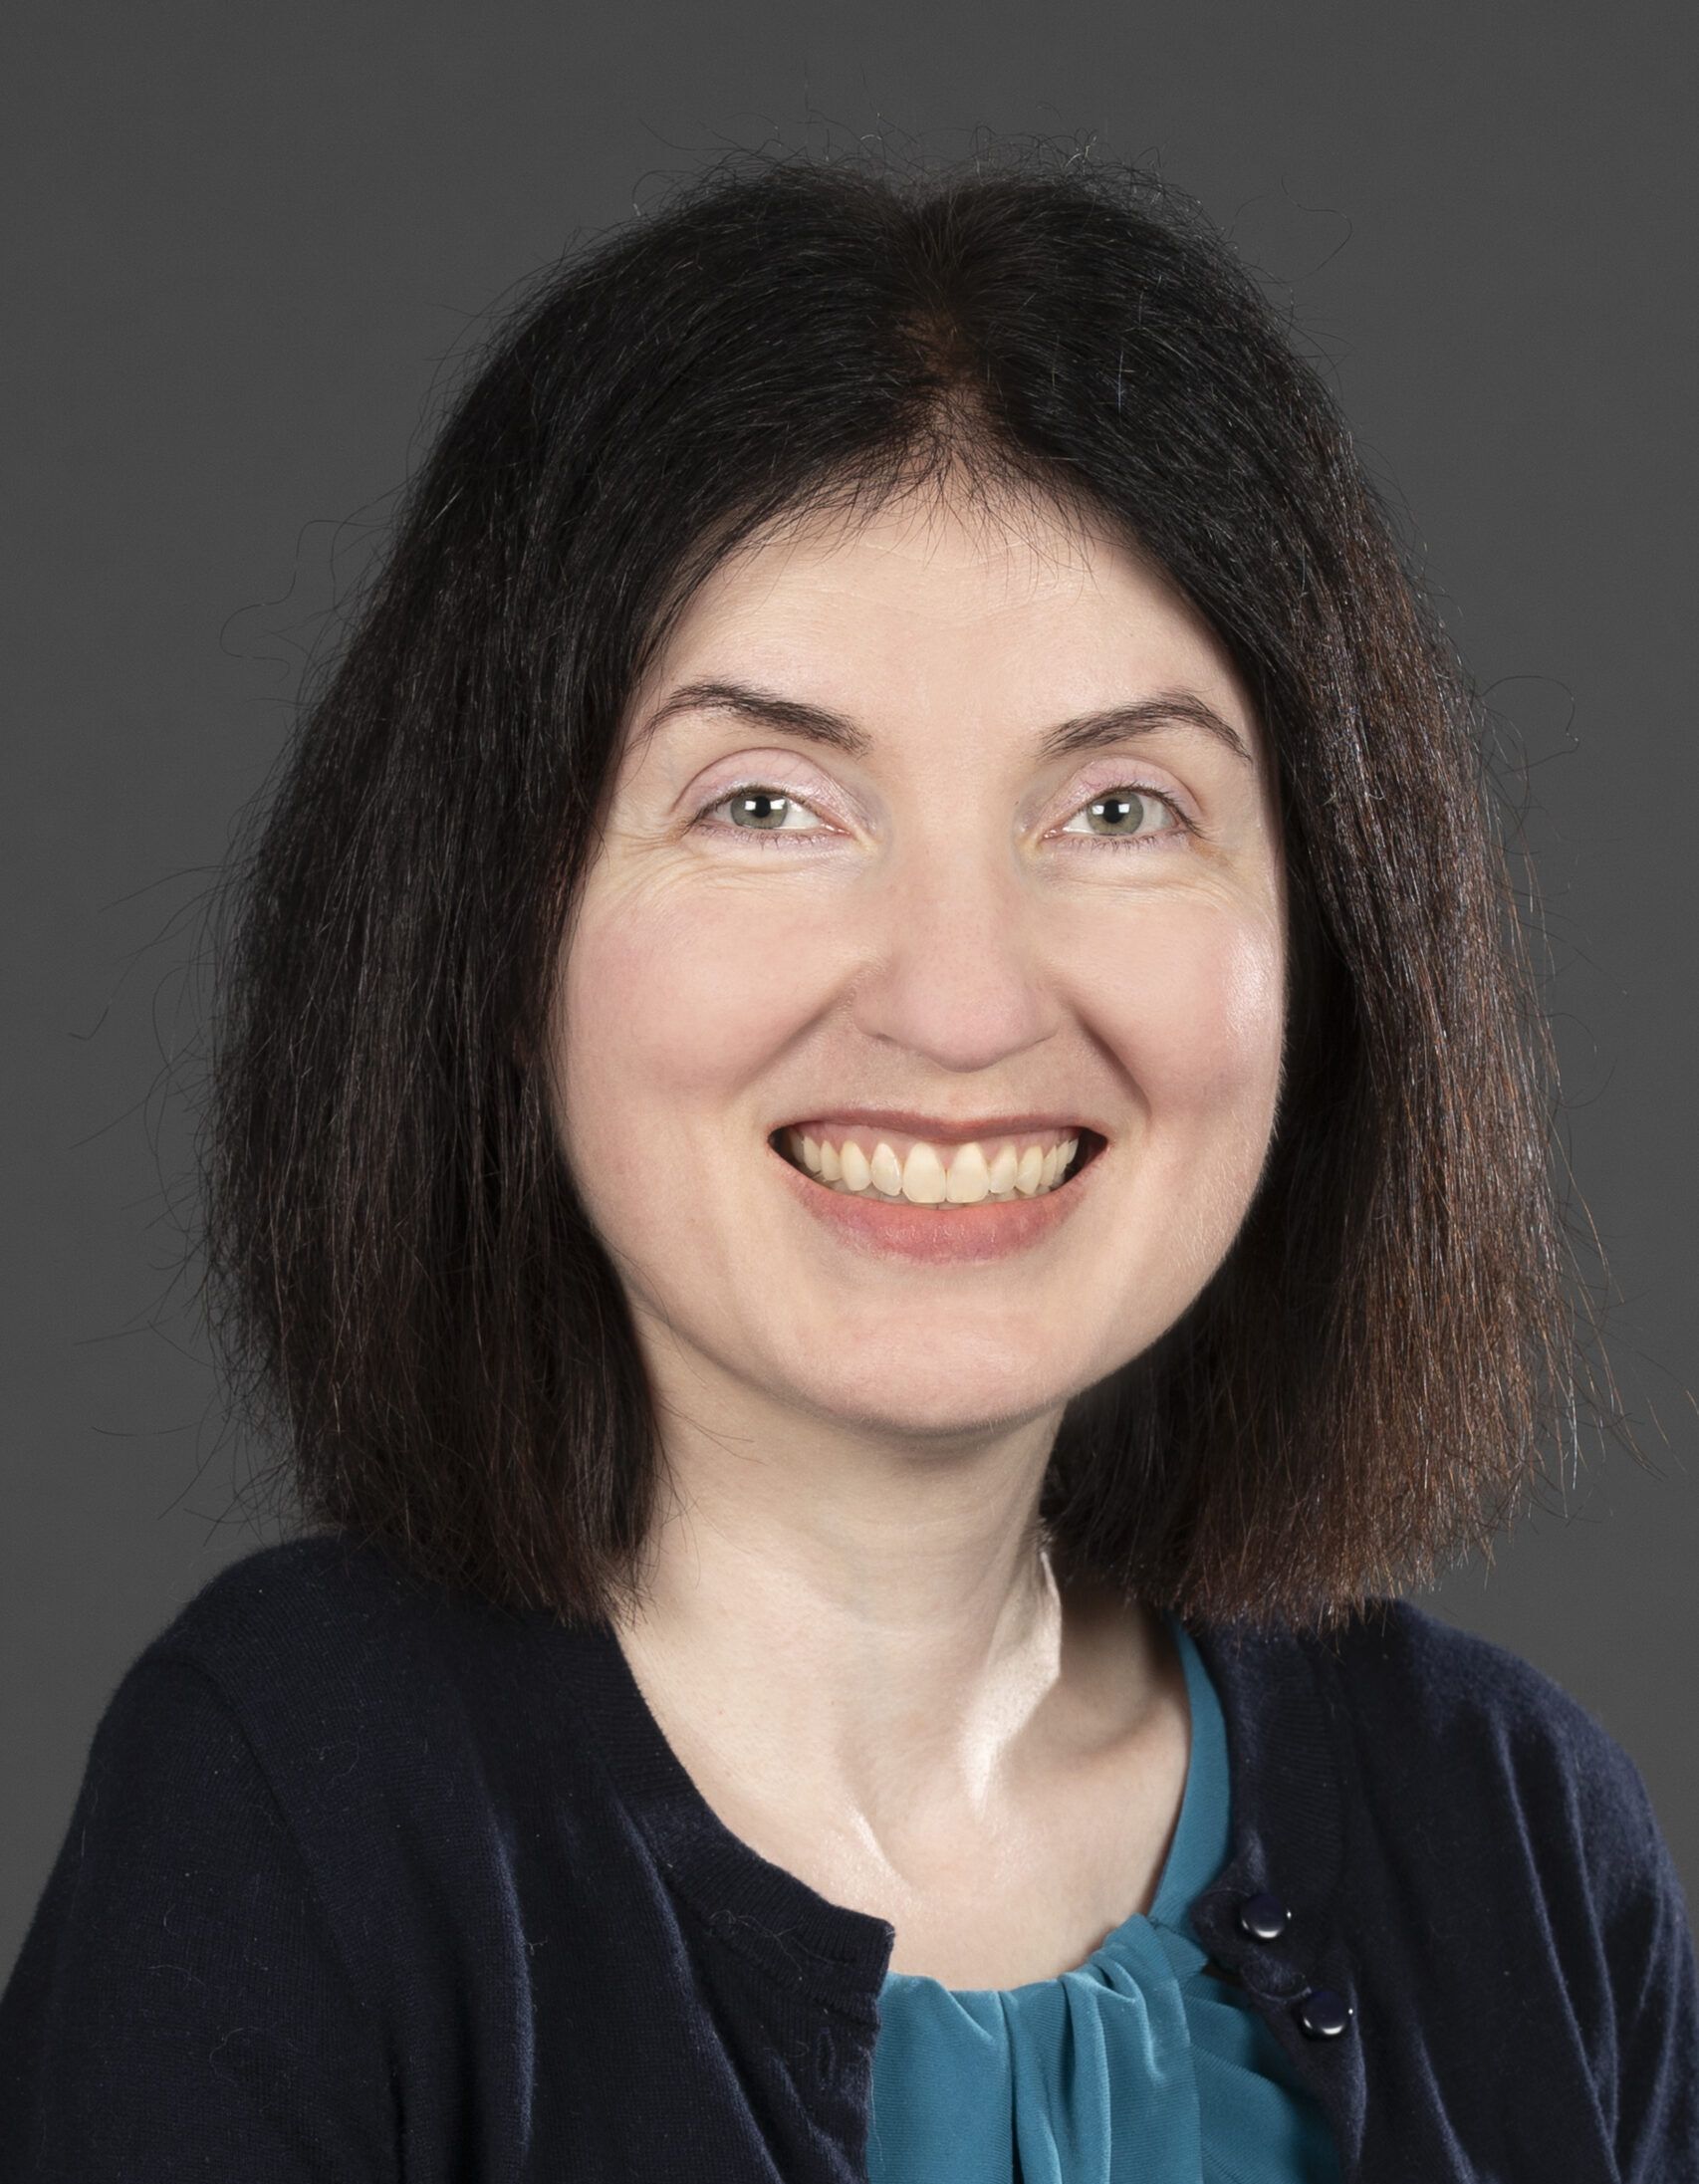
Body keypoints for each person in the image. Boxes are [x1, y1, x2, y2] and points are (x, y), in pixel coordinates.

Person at [1, 141, 1694, 2182]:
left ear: (1334, 931)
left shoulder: (1509, 1826)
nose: (961, 1002)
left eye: (1122, 808)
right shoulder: (296, 1806)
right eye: (767, 804)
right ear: (488, 922)